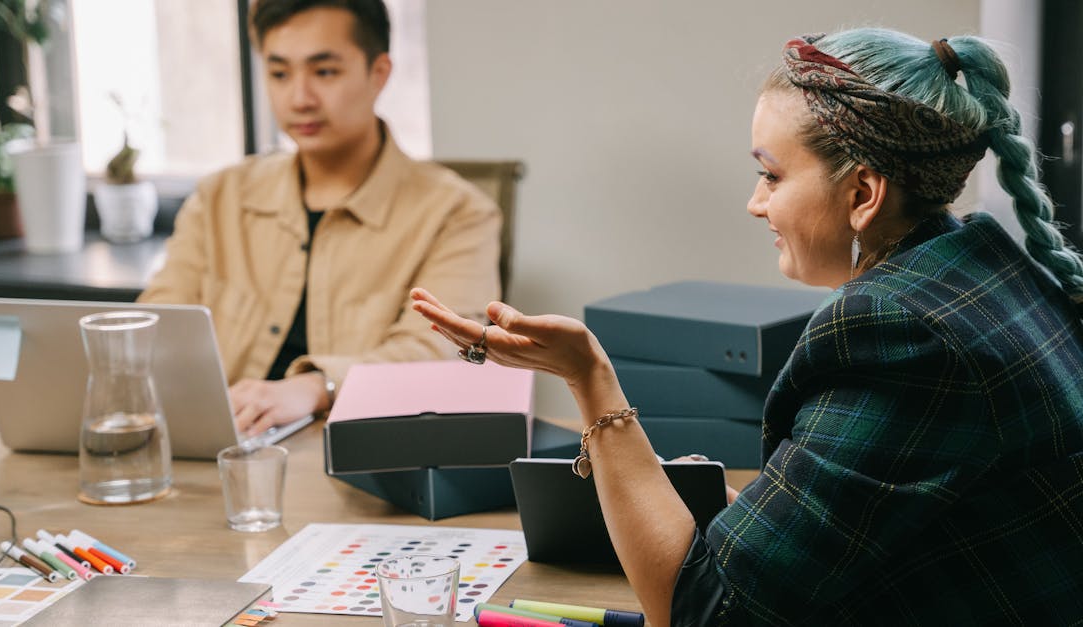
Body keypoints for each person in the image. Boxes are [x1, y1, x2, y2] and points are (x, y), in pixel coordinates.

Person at [412, 28, 1083, 625]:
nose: (754, 202)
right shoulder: (984, 268)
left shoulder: (896, 332)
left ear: (863, 194)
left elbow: (705, 611)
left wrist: (590, 376)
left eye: (771, 174)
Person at [140, 0, 501, 437]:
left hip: (360, 454)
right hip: (219, 445)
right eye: (279, 74)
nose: (299, 99)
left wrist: (317, 386)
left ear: (379, 73)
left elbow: (441, 352)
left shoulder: (457, 212)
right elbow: (155, 328)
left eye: (324, 72)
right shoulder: (220, 196)